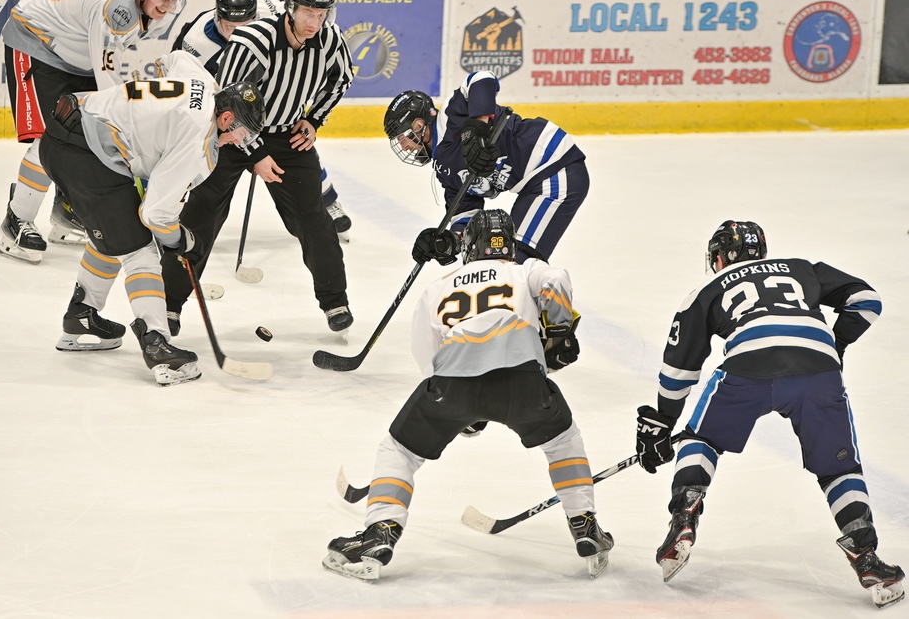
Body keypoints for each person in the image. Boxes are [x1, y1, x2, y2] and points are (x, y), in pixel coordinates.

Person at [322, 209, 611, 582]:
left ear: (469, 247)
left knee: (399, 450)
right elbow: (555, 279)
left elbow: (427, 358)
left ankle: (381, 532)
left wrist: (458, 412)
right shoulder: (524, 270)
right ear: (509, 245)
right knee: (563, 443)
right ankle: (584, 524)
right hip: (523, 382)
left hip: (452, 383)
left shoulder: (439, 286)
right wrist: (559, 330)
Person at [634, 220, 904, 609]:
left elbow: (679, 369)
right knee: (839, 468)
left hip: (748, 366)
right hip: (818, 370)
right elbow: (867, 299)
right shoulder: (801, 267)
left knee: (702, 439)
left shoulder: (707, 289)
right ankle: (867, 556)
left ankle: (684, 516)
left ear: (720, 257)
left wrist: (663, 422)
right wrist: (836, 343)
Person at [38, 50, 265, 386]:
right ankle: (157, 346)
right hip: (87, 152)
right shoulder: (196, 138)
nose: (238, 141)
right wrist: (181, 241)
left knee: (115, 232)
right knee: (140, 249)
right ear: (227, 117)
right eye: (241, 134)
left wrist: (146, 115)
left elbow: (171, 58)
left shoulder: (203, 81)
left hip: (67, 128)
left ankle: (81, 315)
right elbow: (156, 215)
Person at [161, 0, 355, 336]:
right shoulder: (253, 40)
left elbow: (341, 79)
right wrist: (256, 152)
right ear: (291, 6)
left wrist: (315, 120)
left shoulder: (330, 40)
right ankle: (169, 303)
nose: (315, 22)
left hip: (288, 137)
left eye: (321, 13)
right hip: (235, 135)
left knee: (312, 216)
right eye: (308, 13)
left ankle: (335, 301)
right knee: (203, 212)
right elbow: (228, 103)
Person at [0, 0, 190, 264]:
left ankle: (64, 212)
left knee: (82, 133)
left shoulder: (146, 7)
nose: (168, 6)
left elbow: (109, 72)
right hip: (36, 43)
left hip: (75, 55)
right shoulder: (117, 10)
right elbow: (109, 88)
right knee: (54, 138)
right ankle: (15, 220)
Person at [170, 0, 353, 244]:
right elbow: (185, 87)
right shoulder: (196, 42)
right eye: (231, 27)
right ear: (217, 17)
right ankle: (175, 210)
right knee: (202, 152)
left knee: (298, 138)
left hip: (268, 100)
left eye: (248, 22)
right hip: (221, 102)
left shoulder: (274, 9)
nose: (240, 32)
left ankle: (327, 200)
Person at [383, 72, 589, 266]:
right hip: (533, 186)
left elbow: (482, 79)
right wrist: (447, 241)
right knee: (487, 260)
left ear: (419, 125)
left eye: (402, 138)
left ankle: (546, 296)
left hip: (554, 167)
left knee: (514, 263)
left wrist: (477, 130)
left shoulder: (450, 118)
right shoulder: (444, 171)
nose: (404, 147)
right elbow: (467, 217)